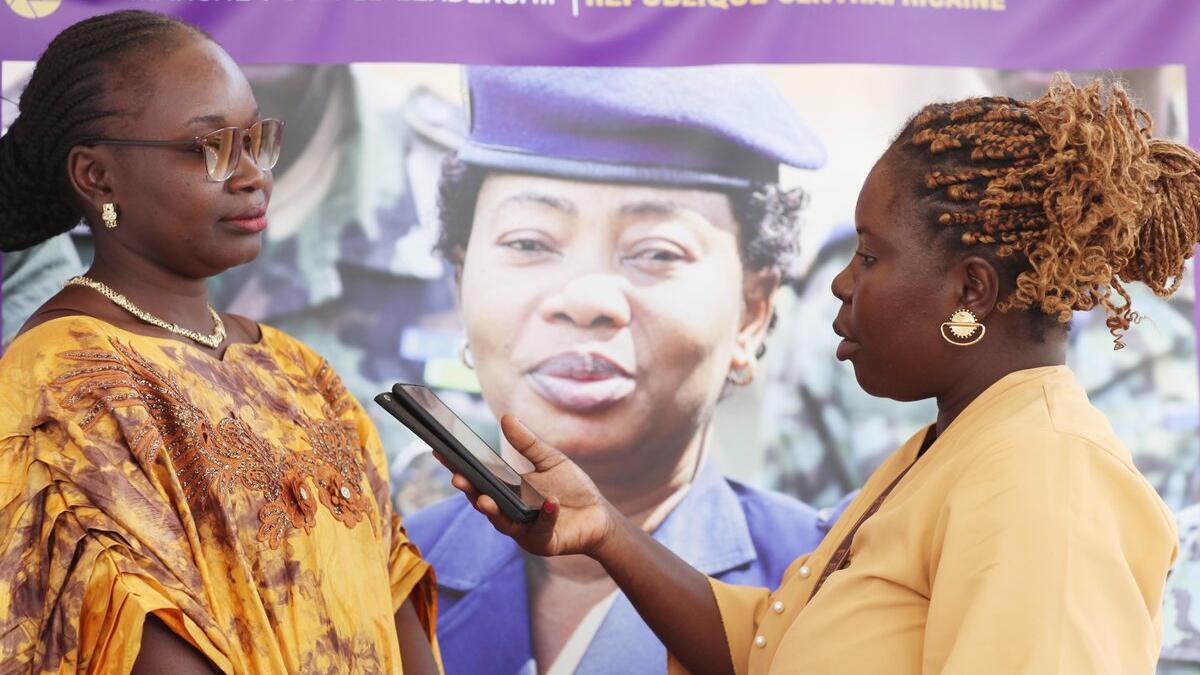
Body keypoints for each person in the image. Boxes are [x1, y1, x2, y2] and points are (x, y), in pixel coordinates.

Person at [444, 76, 1193, 674]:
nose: (839, 284)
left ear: (970, 292)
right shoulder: (953, 448)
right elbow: (766, 649)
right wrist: (606, 530)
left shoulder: (1047, 481)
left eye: (869, 256)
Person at [0, 11, 438, 673]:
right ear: (97, 176)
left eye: (255, 140)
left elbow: (393, 604)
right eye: (209, 148)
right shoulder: (64, 380)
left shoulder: (302, 371)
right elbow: (130, 632)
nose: (253, 175)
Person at [406, 66, 851, 675]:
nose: (587, 299)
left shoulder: (833, 584)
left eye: (657, 252)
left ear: (753, 310)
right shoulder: (377, 570)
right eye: (530, 243)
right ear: (461, 284)